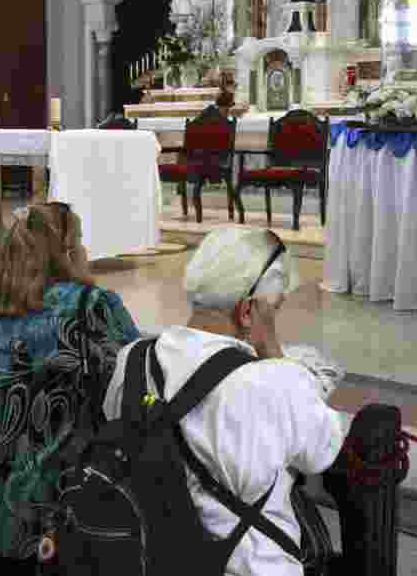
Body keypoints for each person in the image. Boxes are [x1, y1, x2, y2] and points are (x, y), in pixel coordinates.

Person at [102, 227, 352, 576]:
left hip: (149, 562)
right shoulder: (273, 381)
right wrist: (274, 352)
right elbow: (322, 450)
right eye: (273, 309)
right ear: (247, 311)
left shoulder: (132, 360)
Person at [0, 202, 141, 573]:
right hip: (33, 509)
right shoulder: (88, 307)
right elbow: (137, 374)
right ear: (67, 253)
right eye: (79, 242)